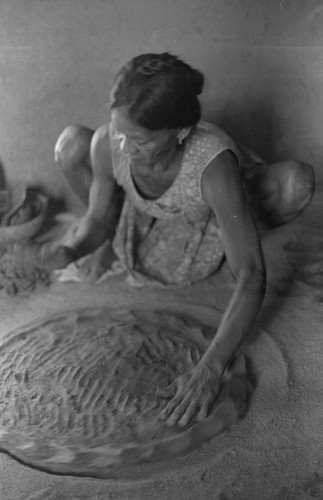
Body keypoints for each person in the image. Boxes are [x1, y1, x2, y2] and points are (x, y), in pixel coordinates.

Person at [14, 52, 315, 427]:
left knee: (292, 186)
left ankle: (251, 199)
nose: (124, 147)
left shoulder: (213, 165)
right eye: (119, 131)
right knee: (77, 142)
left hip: (206, 206)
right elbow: (99, 218)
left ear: (181, 133)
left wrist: (212, 367)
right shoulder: (110, 143)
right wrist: (69, 250)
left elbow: (252, 272)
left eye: (139, 141)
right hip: (149, 211)